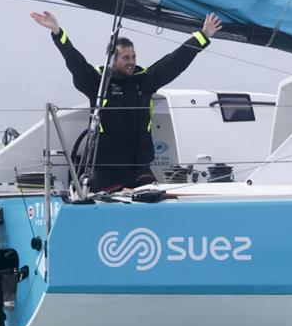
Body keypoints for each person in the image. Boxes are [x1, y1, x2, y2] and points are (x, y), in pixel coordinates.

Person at [31, 10, 222, 192]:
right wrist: (57, 33)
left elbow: (174, 61)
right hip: (107, 169)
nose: (131, 61)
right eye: (125, 58)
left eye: (133, 56)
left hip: (139, 168)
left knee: (155, 198)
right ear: (112, 59)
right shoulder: (97, 82)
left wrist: (203, 35)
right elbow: (75, 62)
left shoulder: (144, 81)